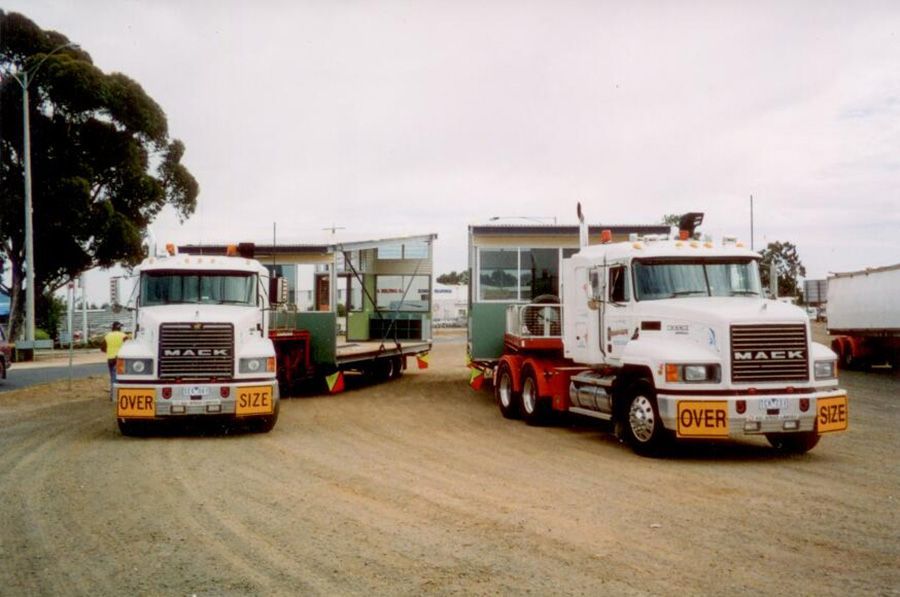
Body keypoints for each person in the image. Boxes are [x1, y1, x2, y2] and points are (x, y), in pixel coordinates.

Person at [102, 321, 128, 401]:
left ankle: (114, 395)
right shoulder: (124, 336)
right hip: (121, 358)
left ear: (112, 328)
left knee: (113, 377)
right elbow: (129, 347)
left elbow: (102, 348)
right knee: (122, 378)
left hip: (110, 359)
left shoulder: (107, 336)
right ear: (120, 328)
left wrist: (110, 351)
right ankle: (115, 396)